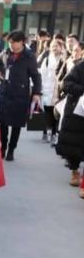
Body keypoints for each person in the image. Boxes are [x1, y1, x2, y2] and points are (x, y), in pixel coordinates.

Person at [0, 30, 42, 161]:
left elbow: (36, 76)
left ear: (22, 42)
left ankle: (11, 149)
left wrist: (36, 93)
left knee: (16, 124)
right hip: (5, 92)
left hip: (20, 94)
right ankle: (3, 146)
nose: (12, 45)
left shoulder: (29, 56)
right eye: (10, 42)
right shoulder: (6, 53)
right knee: (3, 122)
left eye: (15, 42)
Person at [56, 58, 84, 190]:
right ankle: (74, 170)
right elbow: (66, 83)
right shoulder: (80, 67)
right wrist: (82, 90)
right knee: (74, 144)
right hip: (77, 111)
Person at [38, 39, 66, 145]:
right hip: (47, 89)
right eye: (52, 46)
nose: (54, 48)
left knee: (55, 113)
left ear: (61, 47)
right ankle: (46, 132)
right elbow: (42, 75)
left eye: (56, 46)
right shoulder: (47, 60)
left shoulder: (64, 59)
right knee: (46, 112)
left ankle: (54, 133)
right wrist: (40, 89)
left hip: (58, 90)